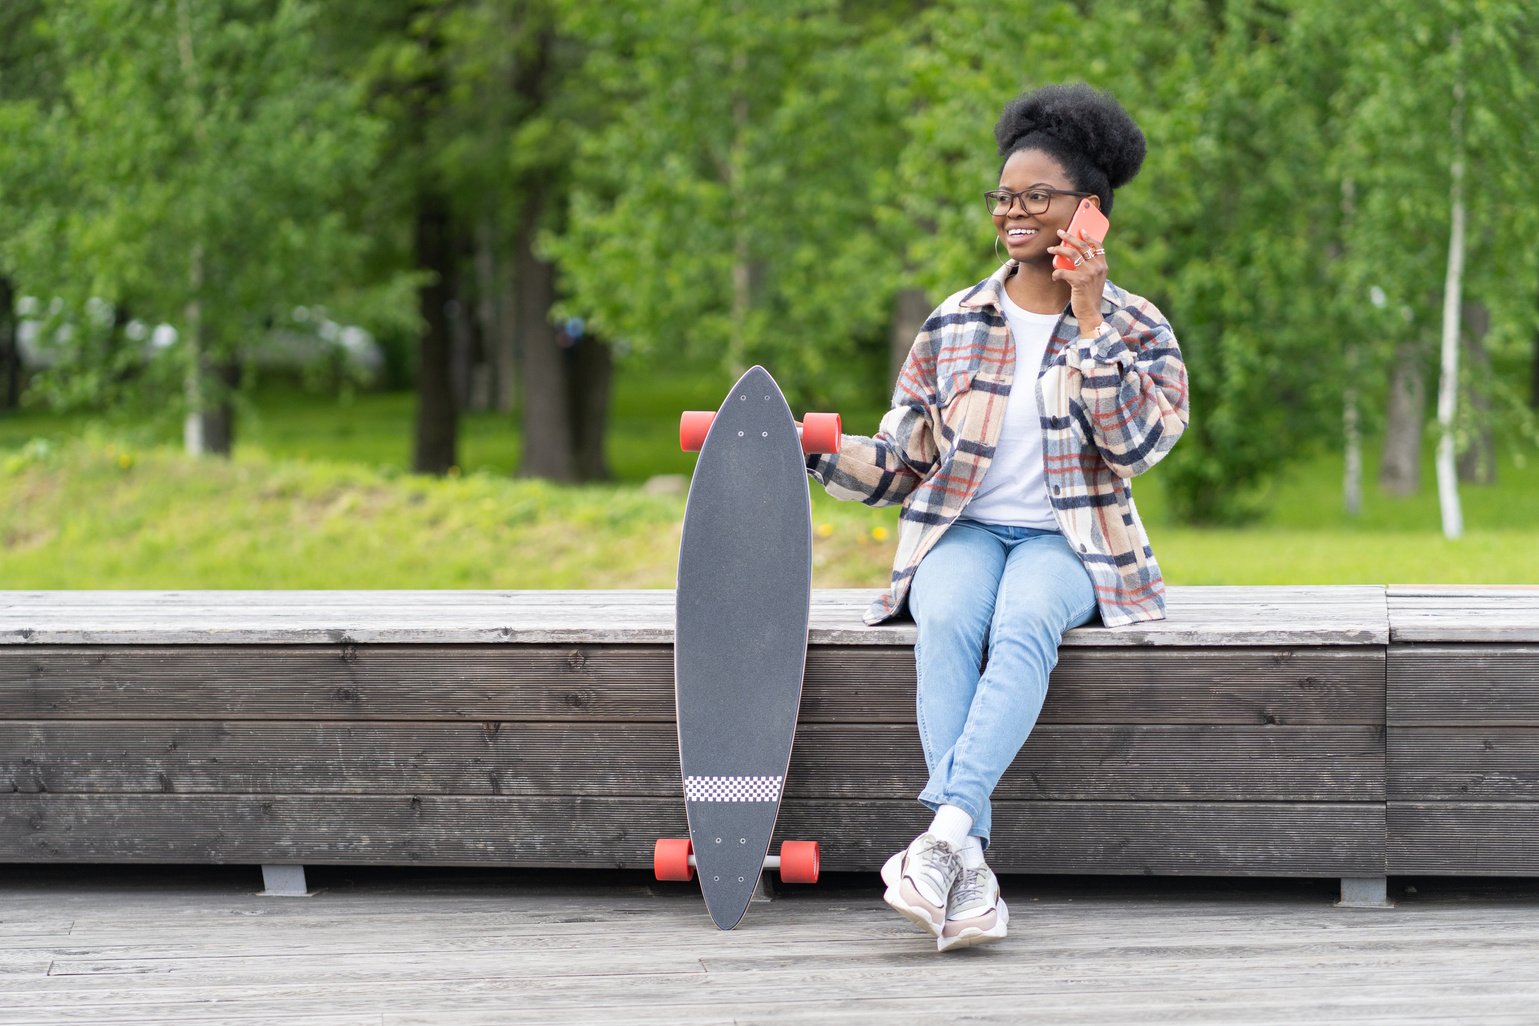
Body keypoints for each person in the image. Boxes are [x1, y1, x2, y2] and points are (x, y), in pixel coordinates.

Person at [806, 82, 1188, 952]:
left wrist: (1089, 323)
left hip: (1071, 537)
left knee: (1023, 626)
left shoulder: (1138, 328)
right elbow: (905, 461)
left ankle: (943, 837)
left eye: (1035, 198)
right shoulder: (954, 323)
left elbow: (1133, 448)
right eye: (1004, 197)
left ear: (1086, 212)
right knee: (944, 619)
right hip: (963, 527)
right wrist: (811, 447)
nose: (1013, 213)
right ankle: (962, 855)